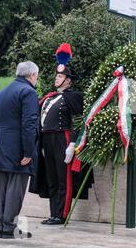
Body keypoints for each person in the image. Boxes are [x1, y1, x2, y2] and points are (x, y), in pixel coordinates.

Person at [29, 43, 94, 225]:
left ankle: (62, 214)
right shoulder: (49, 97)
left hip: (62, 139)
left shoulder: (73, 97)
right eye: (57, 75)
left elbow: (79, 120)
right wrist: (40, 144)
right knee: (51, 178)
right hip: (47, 139)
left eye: (60, 76)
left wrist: (72, 144)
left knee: (63, 179)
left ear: (68, 80)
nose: (57, 78)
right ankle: (53, 213)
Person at [0, 61, 39, 239]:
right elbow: (29, 124)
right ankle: (9, 228)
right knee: (15, 190)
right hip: (19, 148)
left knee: (2, 188)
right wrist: (28, 152)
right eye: (37, 77)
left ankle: (2, 227)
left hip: (1, 146)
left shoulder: (2, 92)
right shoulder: (28, 92)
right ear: (32, 75)